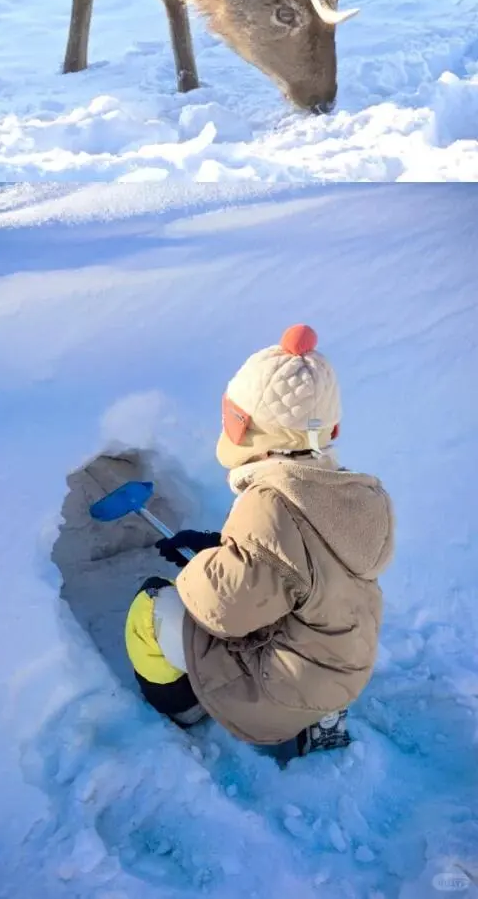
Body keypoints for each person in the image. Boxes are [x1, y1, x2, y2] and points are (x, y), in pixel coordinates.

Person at [124, 325, 394, 760]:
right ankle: (322, 714)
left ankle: (188, 708)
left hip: (280, 689)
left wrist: (199, 567)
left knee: (149, 607)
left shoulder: (270, 504)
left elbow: (223, 610)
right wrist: (220, 544)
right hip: (344, 669)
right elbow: (305, 567)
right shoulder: (358, 496)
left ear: (249, 428)